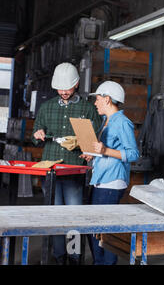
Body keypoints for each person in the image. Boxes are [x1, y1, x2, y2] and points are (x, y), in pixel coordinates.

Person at [32, 62, 102, 265]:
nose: (63, 92)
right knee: (54, 214)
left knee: (73, 215)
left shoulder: (88, 109)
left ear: (77, 84)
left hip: (73, 169)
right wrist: (38, 134)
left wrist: (89, 150)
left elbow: (97, 139)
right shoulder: (47, 107)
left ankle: (74, 257)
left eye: (67, 88)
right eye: (60, 89)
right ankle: (59, 256)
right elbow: (36, 134)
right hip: (51, 168)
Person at [82, 81, 139, 265]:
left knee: (104, 232)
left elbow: (133, 154)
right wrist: (93, 154)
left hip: (111, 184)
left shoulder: (122, 122)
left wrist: (105, 150)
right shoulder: (106, 122)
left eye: (97, 99)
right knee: (96, 230)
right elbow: (103, 150)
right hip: (100, 181)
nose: (95, 103)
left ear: (107, 99)